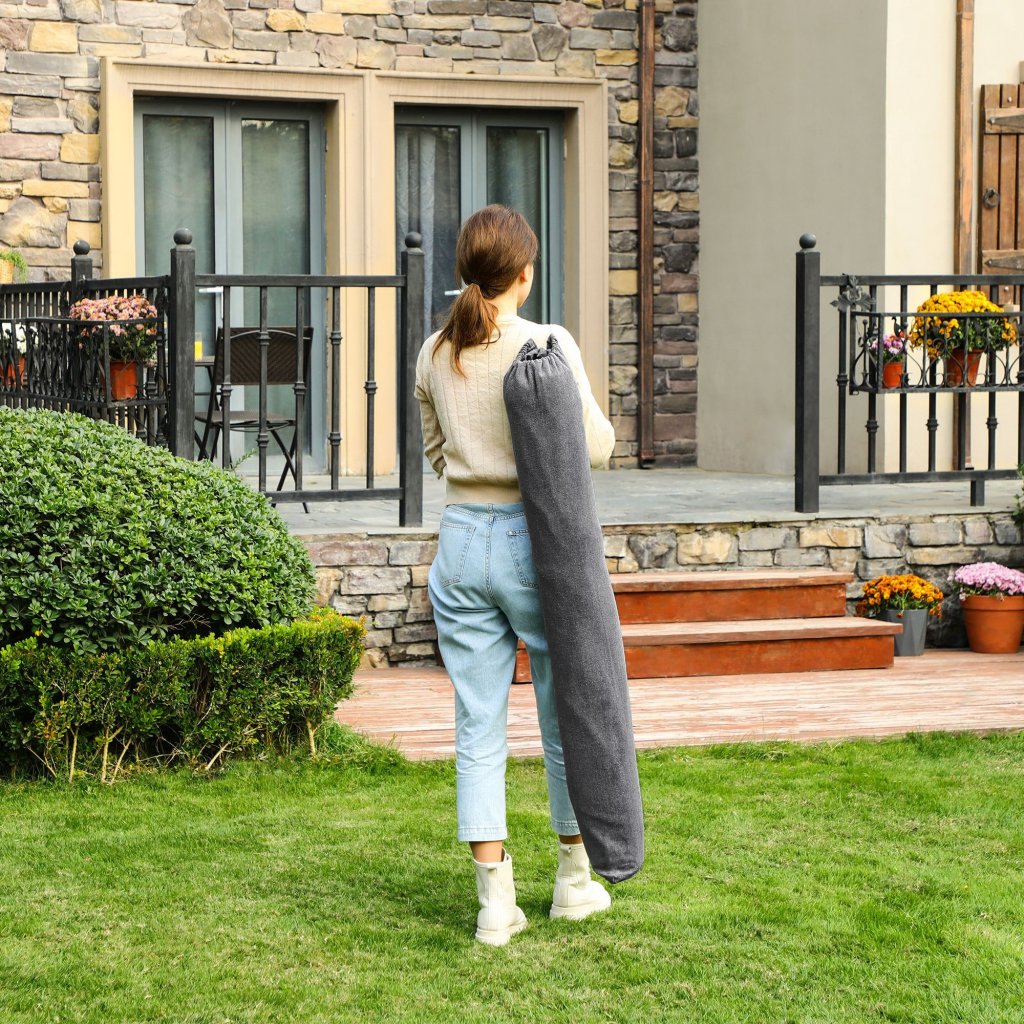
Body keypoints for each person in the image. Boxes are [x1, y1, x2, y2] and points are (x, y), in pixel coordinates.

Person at [415, 205, 617, 946]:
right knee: (567, 717)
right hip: (537, 546)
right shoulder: (548, 345)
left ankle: (494, 905)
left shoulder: (434, 351)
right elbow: (595, 447)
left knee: (478, 726)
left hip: (462, 543)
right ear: (524, 274)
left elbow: (436, 451)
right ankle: (573, 882)